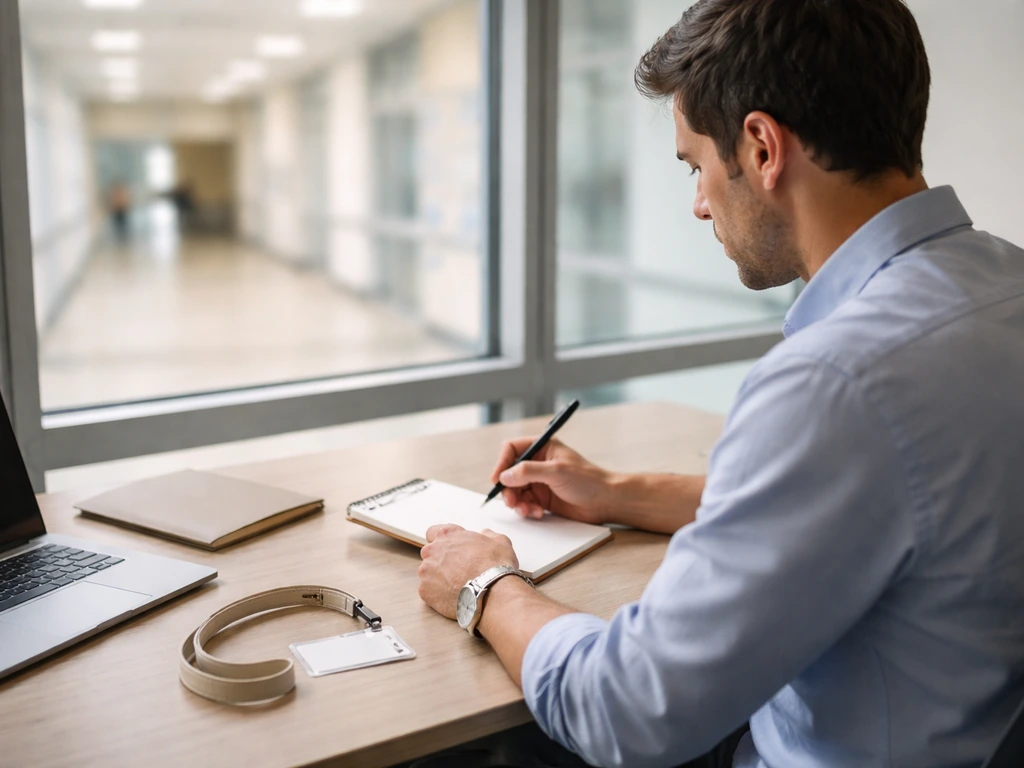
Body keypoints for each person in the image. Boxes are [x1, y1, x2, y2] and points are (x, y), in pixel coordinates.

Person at [416, 0, 1024, 766]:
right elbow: (888, 504)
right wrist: (616, 491)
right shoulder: (1002, 289)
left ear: (763, 148)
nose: (700, 202)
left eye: (696, 166)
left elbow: (627, 711)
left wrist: (488, 585)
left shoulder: (837, 380)